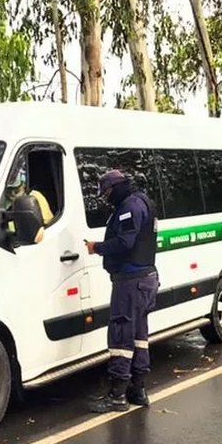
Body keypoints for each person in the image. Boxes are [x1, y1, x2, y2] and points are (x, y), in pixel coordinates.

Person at [85, 169, 160, 412]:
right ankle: (137, 390)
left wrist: (97, 247)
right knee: (139, 336)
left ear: (115, 188)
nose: (106, 198)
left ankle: (117, 396)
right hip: (145, 279)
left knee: (121, 334)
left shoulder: (130, 207)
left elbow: (125, 242)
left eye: (107, 193)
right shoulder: (142, 201)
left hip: (131, 281)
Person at [4, 168, 54, 234]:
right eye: (9, 191)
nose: (12, 194)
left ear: (24, 186)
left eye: (16, 191)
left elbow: (48, 223)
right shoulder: (0, 201)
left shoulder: (35, 197)